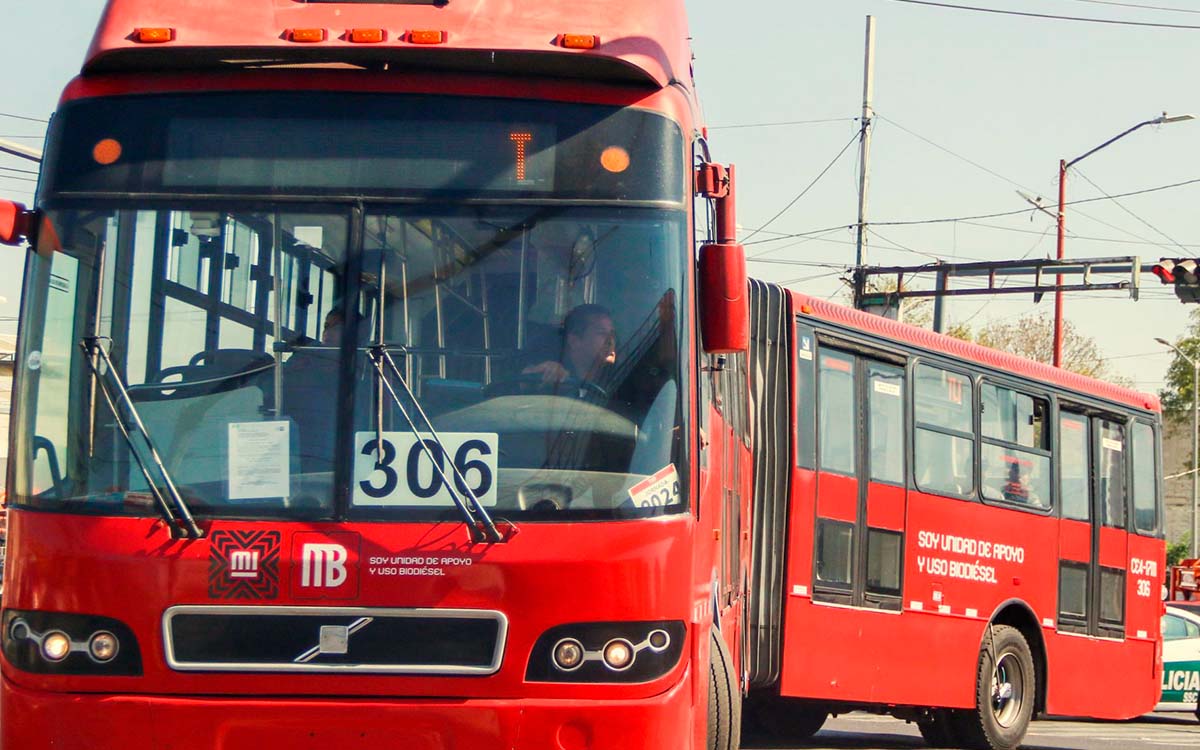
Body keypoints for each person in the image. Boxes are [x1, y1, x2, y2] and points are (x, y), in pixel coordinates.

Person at [522, 304, 617, 392]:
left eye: (612, 334)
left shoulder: (618, 378)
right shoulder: (552, 374)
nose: (610, 341)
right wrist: (534, 377)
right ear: (574, 341)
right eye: (602, 333)